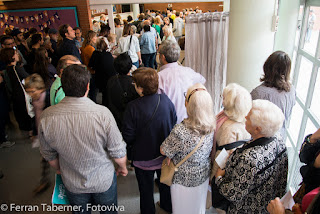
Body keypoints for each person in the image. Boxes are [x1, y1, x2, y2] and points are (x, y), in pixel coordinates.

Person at [39, 64, 128, 214]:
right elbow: (117, 151)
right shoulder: (102, 114)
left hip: (72, 182)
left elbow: (49, 155)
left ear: (63, 86)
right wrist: (123, 167)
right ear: (88, 86)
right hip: (103, 181)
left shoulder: (47, 116)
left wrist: (60, 169)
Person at [215, 99, 288, 213]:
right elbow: (281, 180)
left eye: (248, 118)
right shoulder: (279, 141)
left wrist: (219, 178)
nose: (245, 118)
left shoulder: (249, 159)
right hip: (266, 206)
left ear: (257, 129)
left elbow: (233, 194)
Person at [122, 67, 176, 214]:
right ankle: (166, 207)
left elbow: (127, 135)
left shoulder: (132, 107)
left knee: (146, 192)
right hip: (164, 157)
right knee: (165, 186)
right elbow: (173, 123)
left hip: (142, 159)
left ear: (140, 88)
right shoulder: (166, 100)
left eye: (135, 84)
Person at [160, 83, 215, 214]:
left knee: (182, 209)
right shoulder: (212, 124)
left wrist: (169, 154)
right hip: (202, 175)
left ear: (188, 105)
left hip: (182, 179)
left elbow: (164, 150)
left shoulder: (181, 131)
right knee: (198, 208)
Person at [251, 51, 296, 140]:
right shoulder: (291, 90)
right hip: (280, 138)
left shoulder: (258, 93)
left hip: (261, 141)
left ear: (267, 67)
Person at [158, 40, 205, 124]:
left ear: (163, 57)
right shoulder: (188, 71)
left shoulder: (159, 77)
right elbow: (202, 80)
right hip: (188, 121)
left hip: (168, 123)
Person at [211, 83, 252, 179]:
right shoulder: (244, 119)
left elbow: (221, 157)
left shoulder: (228, 129)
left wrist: (212, 178)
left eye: (224, 98)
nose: (222, 100)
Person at [24, 74, 51, 193]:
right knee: (44, 159)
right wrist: (34, 132)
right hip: (41, 133)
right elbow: (34, 115)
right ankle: (44, 181)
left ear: (41, 88)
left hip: (51, 134)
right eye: (28, 92)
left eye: (32, 91)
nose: (30, 94)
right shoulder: (33, 99)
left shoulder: (48, 97)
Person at [0, 48, 32, 132]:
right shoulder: (16, 68)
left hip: (15, 95)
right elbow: (28, 77)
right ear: (11, 56)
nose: (18, 55)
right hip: (22, 94)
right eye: (15, 53)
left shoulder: (7, 69)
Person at [106, 53, 139, 129]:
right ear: (130, 66)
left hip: (114, 117)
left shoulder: (111, 80)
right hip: (130, 119)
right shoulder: (134, 82)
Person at [88, 39, 117, 106]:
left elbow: (91, 66)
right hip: (109, 78)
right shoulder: (108, 54)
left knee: (94, 91)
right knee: (106, 95)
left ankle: (93, 104)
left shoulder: (95, 54)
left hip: (99, 78)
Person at [80, 30, 97, 102]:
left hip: (86, 69)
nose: (96, 38)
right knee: (93, 92)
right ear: (91, 38)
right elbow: (95, 61)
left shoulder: (83, 47)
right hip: (91, 71)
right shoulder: (90, 49)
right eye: (95, 36)